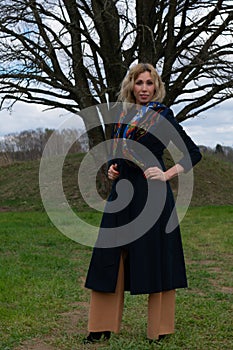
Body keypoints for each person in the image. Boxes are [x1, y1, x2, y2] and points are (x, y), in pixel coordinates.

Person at [84, 63, 202, 343]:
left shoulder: (163, 116)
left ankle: (158, 330)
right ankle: (99, 326)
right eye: (139, 83)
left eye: (150, 83)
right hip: (121, 196)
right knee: (106, 256)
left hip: (153, 196)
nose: (144, 89)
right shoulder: (123, 115)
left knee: (156, 259)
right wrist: (113, 168)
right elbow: (118, 151)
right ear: (131, 86)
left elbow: (192, 153)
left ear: (156, 86)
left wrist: (167, 174)